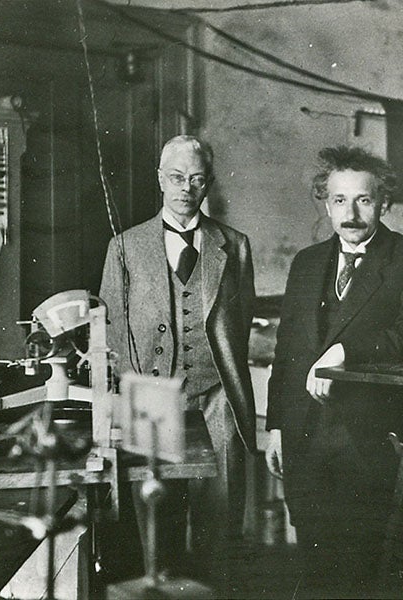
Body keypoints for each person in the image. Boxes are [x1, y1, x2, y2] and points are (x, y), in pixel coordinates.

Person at [265, 145, 403, 598]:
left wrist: (345, 351)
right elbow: (288, 352)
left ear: (384, 203)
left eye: (363, 200)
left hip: (372, 443)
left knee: (370, 571)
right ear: (326, 203)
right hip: (305, 439)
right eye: (340, 200)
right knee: (317, 565)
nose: (351, 213)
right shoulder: (307, 264)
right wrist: (275, 428)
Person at [99, 134, 255, 590]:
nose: (186, 187)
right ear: (159, 180)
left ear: (207, 184)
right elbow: (112, 330)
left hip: (218, 394)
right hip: (150, 397)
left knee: (220, 517)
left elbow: (239, 322)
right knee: (153, 514)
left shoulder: (235, 245)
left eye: (197, 178)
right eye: (176, 177)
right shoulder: (124, 247)